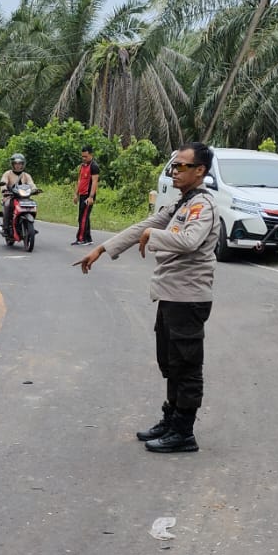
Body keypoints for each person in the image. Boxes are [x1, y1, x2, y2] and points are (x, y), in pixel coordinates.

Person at [74, 143, 216, 453]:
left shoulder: (202, 205)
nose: (174, 171)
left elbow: (190, 240)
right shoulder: (181, 203)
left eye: (181, 166)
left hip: (189, 297)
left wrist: (155, 237)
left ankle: (183, 431)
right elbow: (143, 226)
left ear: (200, 170)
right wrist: (101, 249)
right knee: (170, 362)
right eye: (174, 166)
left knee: (187, 364)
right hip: (170, 294)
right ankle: (171, 418)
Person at [0, 153, 37, 240]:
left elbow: (32, 184)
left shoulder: (26, 175)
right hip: (10, 196)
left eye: (20, 163)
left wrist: (35, 189)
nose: (18, 166)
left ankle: (29, 225)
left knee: (32, 205)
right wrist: (4, 189)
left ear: (23, 164)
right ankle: (6, 228)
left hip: (24, 197)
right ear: (12, 164)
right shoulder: (7, 174)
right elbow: (3, 182)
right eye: (16, 163)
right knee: (8, 205)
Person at [72, 145, 99, 245]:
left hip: (88, 195)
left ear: (91, 155)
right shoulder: (82, 166)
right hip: (82, 194)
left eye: (86, 156)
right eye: (82, 156)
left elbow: (95, 182)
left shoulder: (94, 166)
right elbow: (79, 181)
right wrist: (76, 194)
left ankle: (81, 238)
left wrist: (91, 197)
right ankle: (88, 238)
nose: (84, 158)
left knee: (83, 218)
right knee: (83, 217)